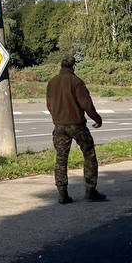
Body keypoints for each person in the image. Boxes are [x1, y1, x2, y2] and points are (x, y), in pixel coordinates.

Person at [45, 54, 106, 204]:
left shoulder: (52, 82)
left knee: (61, 159)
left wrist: (57, 117)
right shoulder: (76, 82)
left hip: (59, 126)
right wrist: (97, 119)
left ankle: (62, 194)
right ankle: (90, 190)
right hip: (77, 125)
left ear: (61, 65)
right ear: (73, 66)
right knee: (89, 154)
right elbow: (86, 104)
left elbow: (49, 105)